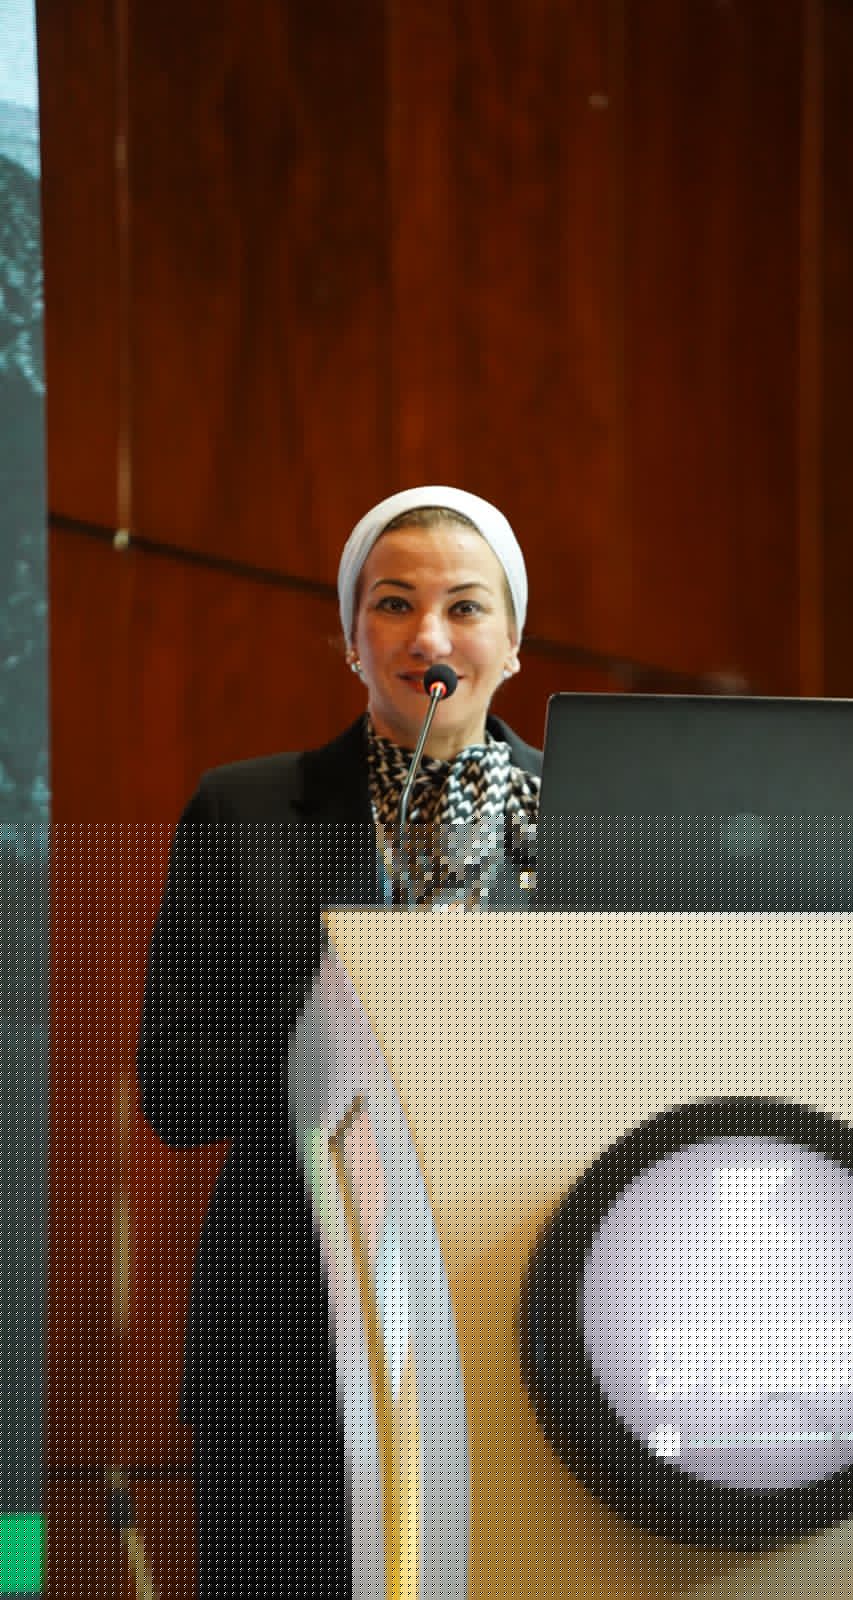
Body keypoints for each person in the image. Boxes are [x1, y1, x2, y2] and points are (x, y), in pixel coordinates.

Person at [136, 486, 542, 1598]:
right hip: (292, 1334)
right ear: (351, 641)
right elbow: (176, 1091)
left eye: (465, 607)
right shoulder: (246, 812)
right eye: (393, 605)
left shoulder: (592, 818)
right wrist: (345, 1000)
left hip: (536, 1312)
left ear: (512, 642)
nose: (428, 637)